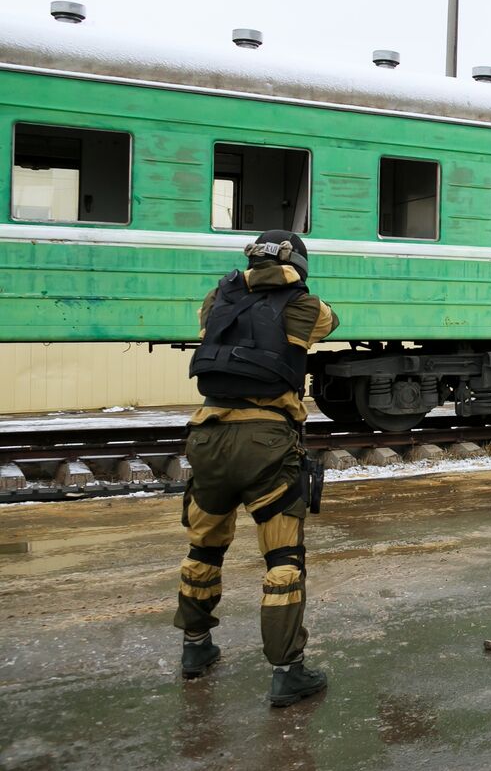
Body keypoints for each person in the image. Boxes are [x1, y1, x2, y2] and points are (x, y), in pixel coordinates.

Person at [175, 230, 339, 707]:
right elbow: (330, 324)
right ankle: (287, 672)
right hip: (265, 441)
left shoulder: (216, 299)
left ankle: (194, 648)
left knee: (203, 548)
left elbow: (209, 328)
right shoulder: (305, 306)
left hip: (207, 434)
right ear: (298, 266)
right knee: (283, 560)